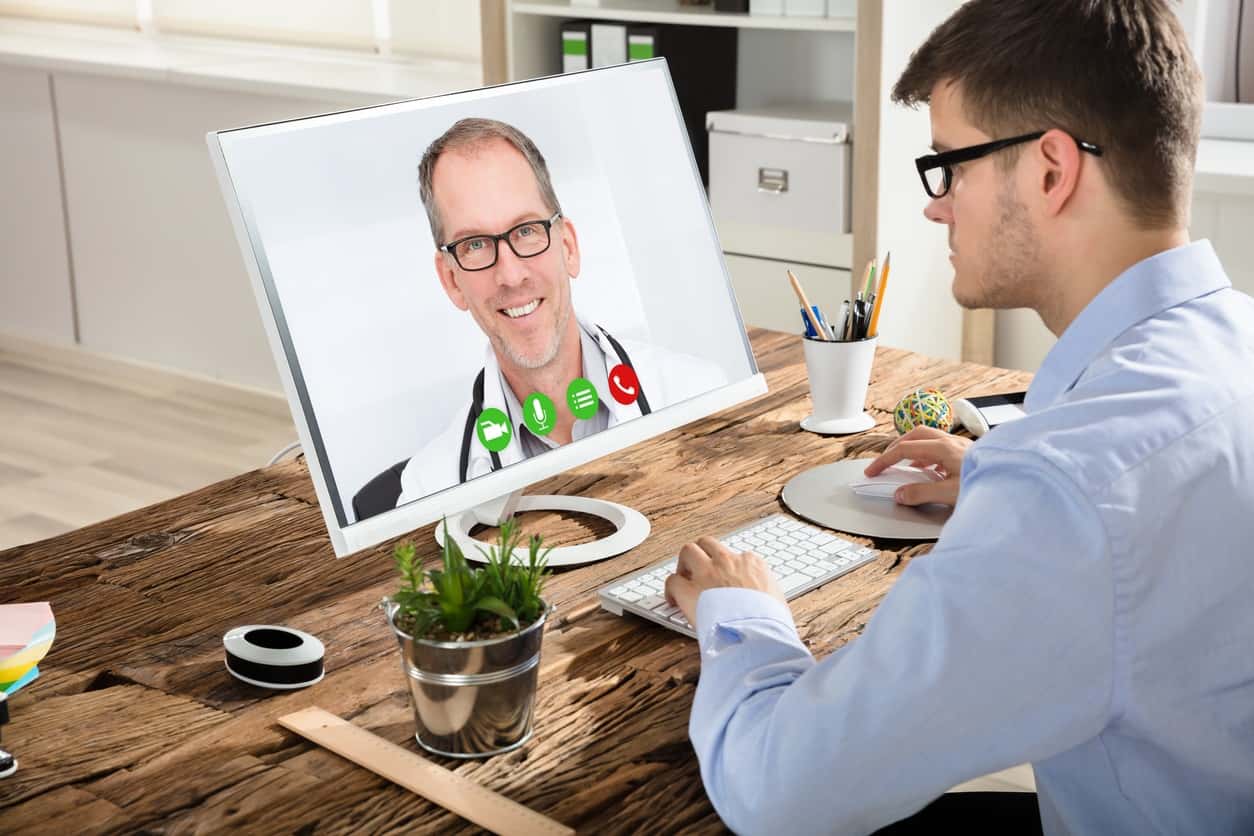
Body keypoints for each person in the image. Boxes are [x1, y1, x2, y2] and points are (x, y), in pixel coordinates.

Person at [664, 1, 1254, 833]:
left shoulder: (1069, 493)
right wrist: (992, 480)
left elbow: (775, 791)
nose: (937, 207)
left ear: (1053, 170)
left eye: (952, 165)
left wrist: (741, 613)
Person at [396, 118, 725, 505]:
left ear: (567, 247)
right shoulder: (429, 488)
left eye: (526, 231)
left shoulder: (702, 394)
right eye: (475, 245)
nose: (511, 274)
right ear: (451, 281)